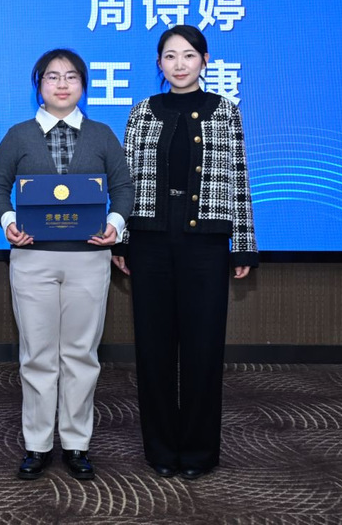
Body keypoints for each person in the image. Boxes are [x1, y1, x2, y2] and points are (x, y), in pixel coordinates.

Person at [112, 25, 257, 481]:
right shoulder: (142, 112)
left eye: (189, 55)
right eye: (170, 56)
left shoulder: (225, 111)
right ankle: (160, 448)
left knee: (203, 348)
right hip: (150, 240)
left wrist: (243, 246)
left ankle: (197, 451)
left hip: (205, 244)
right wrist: (122, 240)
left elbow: (238, 179)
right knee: (153, 349)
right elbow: (126, 182)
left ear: (205, 60)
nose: (179, 64)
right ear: (159, 63)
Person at [0, 49, 134, 481]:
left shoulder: (102, 135)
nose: (62, 84)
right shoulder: (18, 135)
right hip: (33, 258)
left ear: (83, 85)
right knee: (37, 355)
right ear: (39, 85)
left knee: (80, 355)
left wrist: (115, 224)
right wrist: (9, 222)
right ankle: (36, 444)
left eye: (71, 76)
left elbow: (124, 187)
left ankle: (76, 443)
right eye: (52, 76)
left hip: (89, 259)